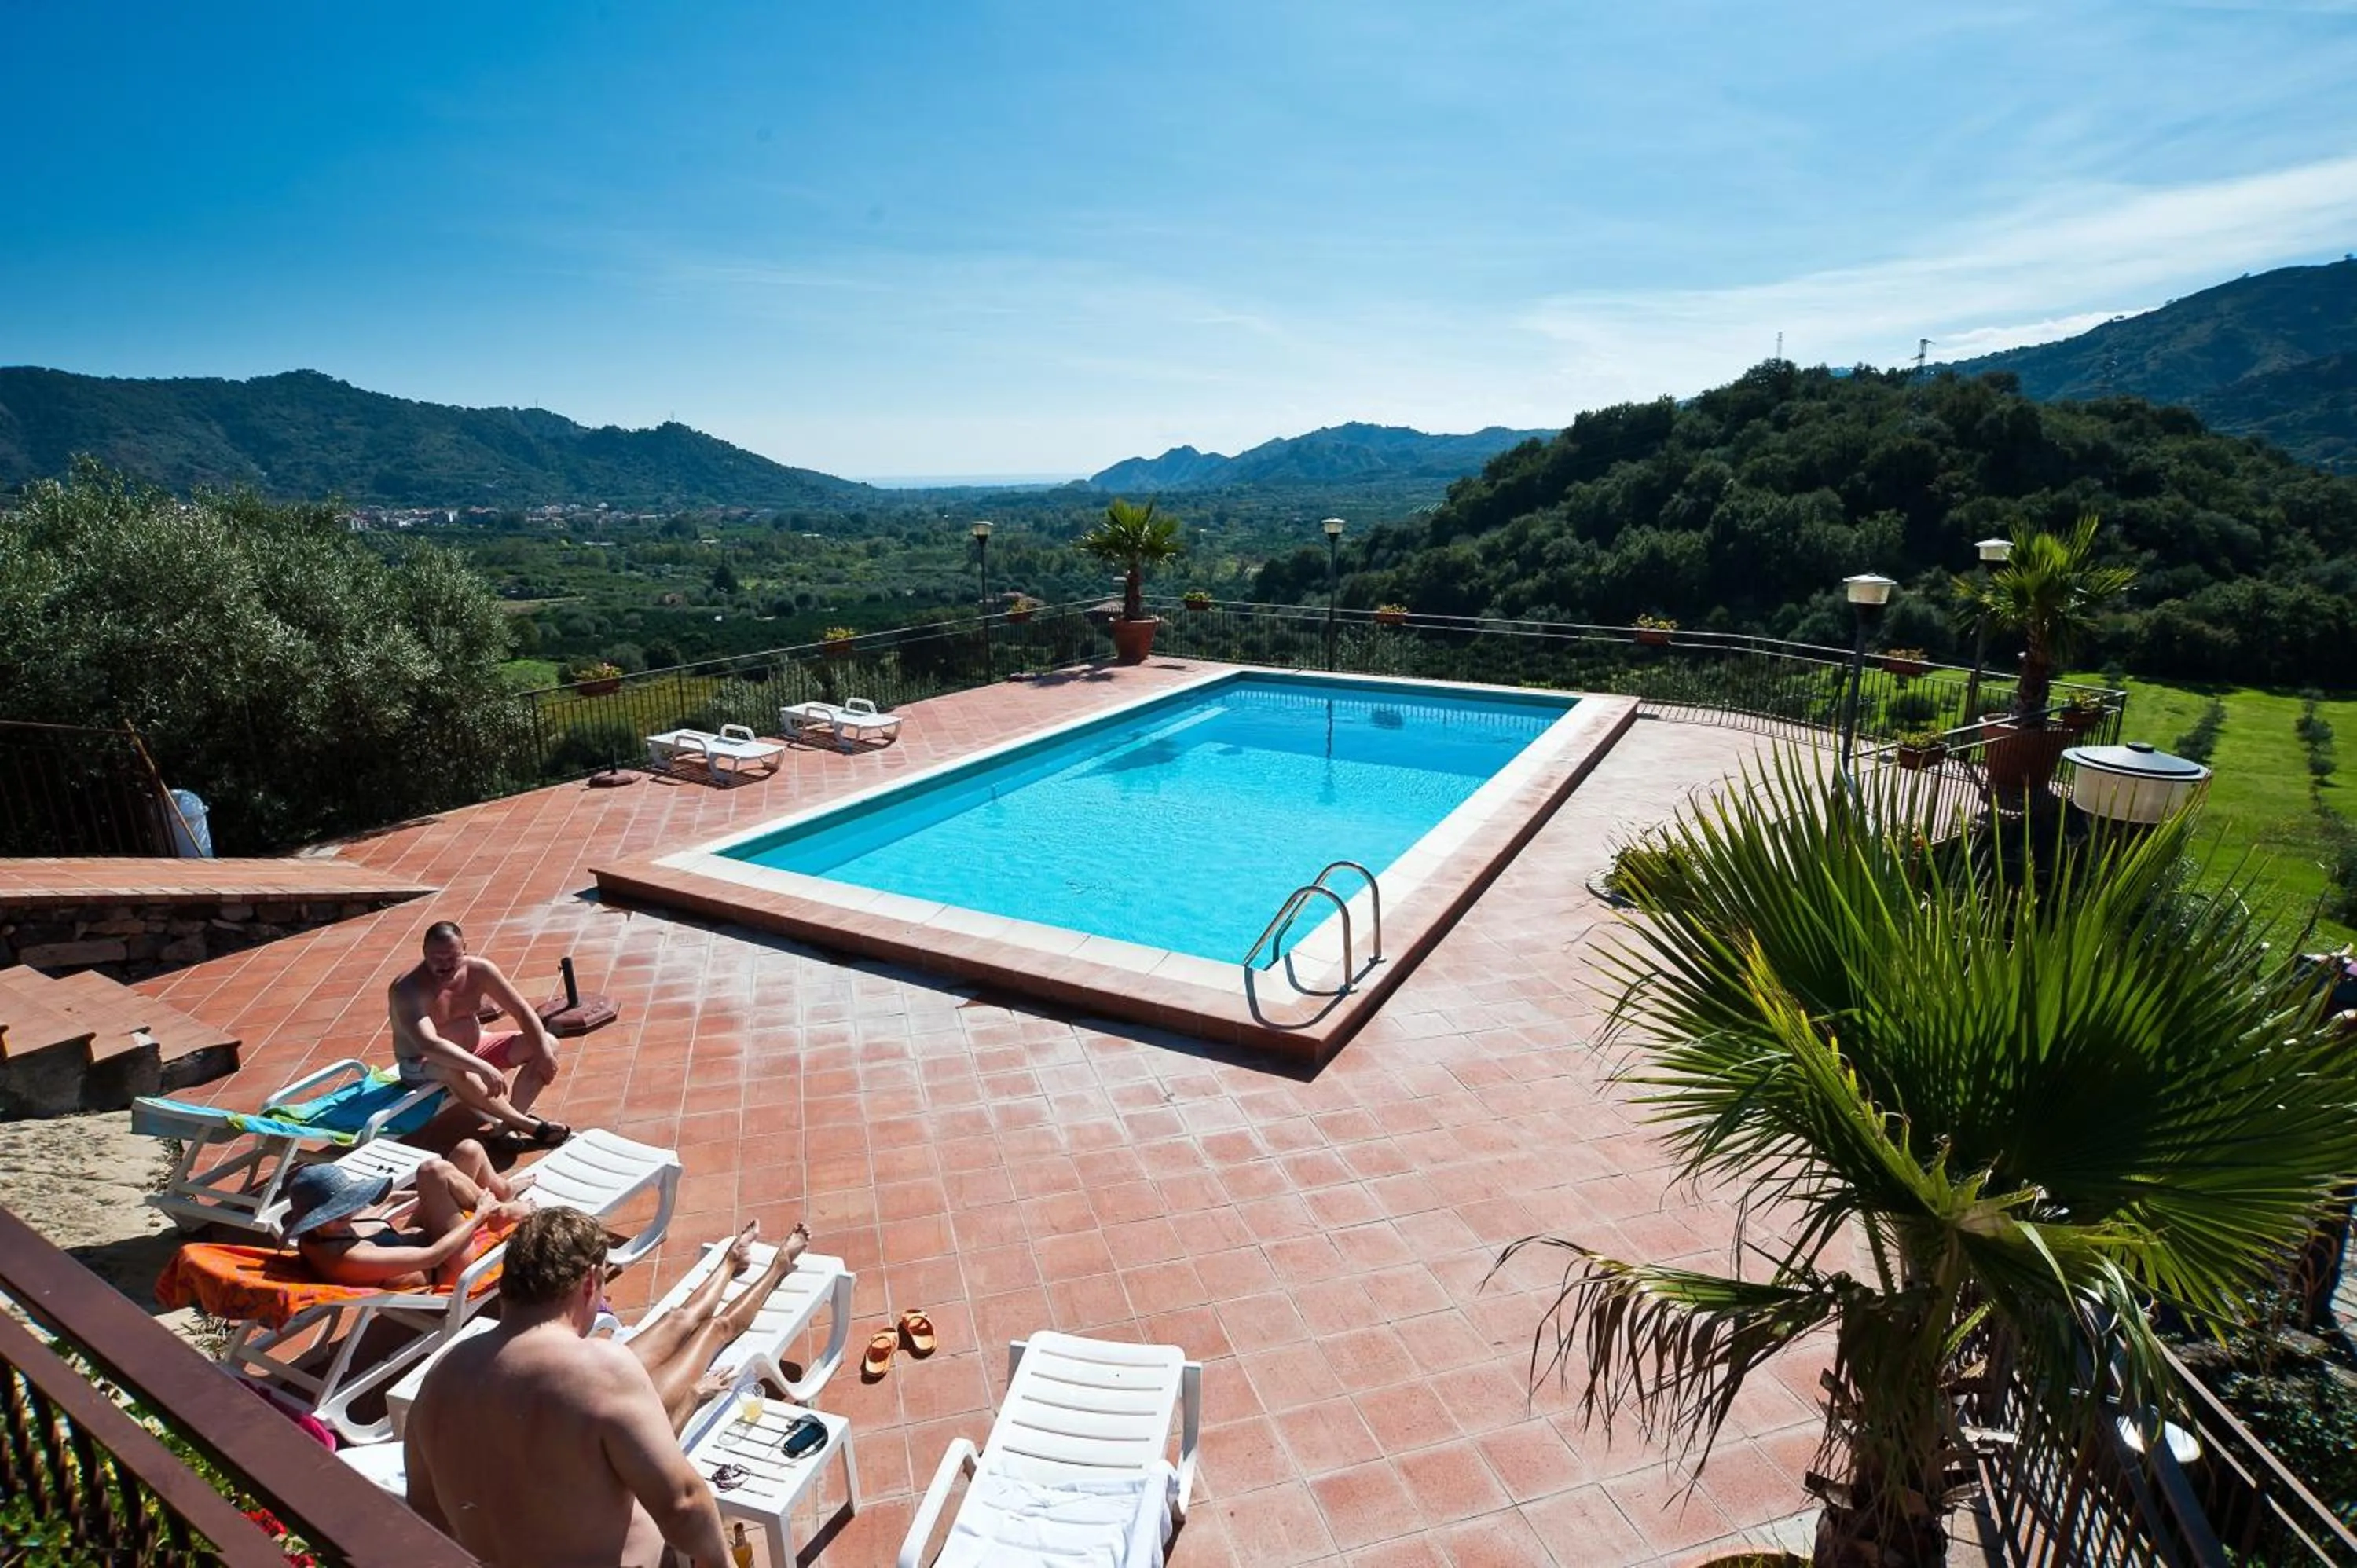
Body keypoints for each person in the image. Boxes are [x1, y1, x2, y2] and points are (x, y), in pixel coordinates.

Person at [405, 1207, 732, 1568]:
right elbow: (683, 1505)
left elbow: (425, 1509)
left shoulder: (441, 1377)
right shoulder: (598, 1371)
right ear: (590, 1281)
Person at [616, 1218, 811, 1434]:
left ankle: (732, 1260)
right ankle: (779, 1266)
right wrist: (693, 1394)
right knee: (714, 1329)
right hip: (638, 1412)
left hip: (608, 1382)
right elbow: (665, 1444)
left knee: (677, 1318)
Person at [390, 920, 568, 1147]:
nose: (444, 965)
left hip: (475, 1048)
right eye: (436, 958)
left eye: (452, 957)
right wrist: (481, 1066)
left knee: (548, 1044)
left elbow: (521, 1011)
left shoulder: (480, 970)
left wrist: (543, 1052)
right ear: (424, 952)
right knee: (454, 1066)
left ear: (465, 948)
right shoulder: (408, 989)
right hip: (422, 1063)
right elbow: (429, 1044)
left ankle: (507, 1126)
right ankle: (528, 1125)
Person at [283, 1143, 531, 1289]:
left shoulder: (318, 1235)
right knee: (432, 1170)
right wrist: (479, 1216)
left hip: (421, 1238)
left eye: (346, 1206)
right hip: (448, 1266)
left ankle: (501, 1195)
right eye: (339, 1212)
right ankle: (499, 1211)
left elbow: (361, 1224)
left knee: (469, 1150)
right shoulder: (349, 1259)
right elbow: (433, 1256)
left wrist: (396, 1199)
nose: (348, 1213)